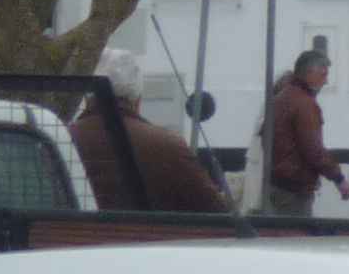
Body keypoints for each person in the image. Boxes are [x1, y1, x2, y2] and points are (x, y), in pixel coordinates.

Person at [72, 49, 233, 213]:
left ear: (88, 97)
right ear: (137, 100)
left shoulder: (61, 138)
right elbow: (218, 213)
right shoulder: (169, 147)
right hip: (146, 237)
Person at [259, 45, 349, 217]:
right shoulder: (305, 105)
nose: (326, 81)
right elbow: (313, 150)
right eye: (323, 74)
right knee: (296, 238)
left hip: (276, 184)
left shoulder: (281, 98)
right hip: (294, 190)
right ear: (309, 73)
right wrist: (339, 179)